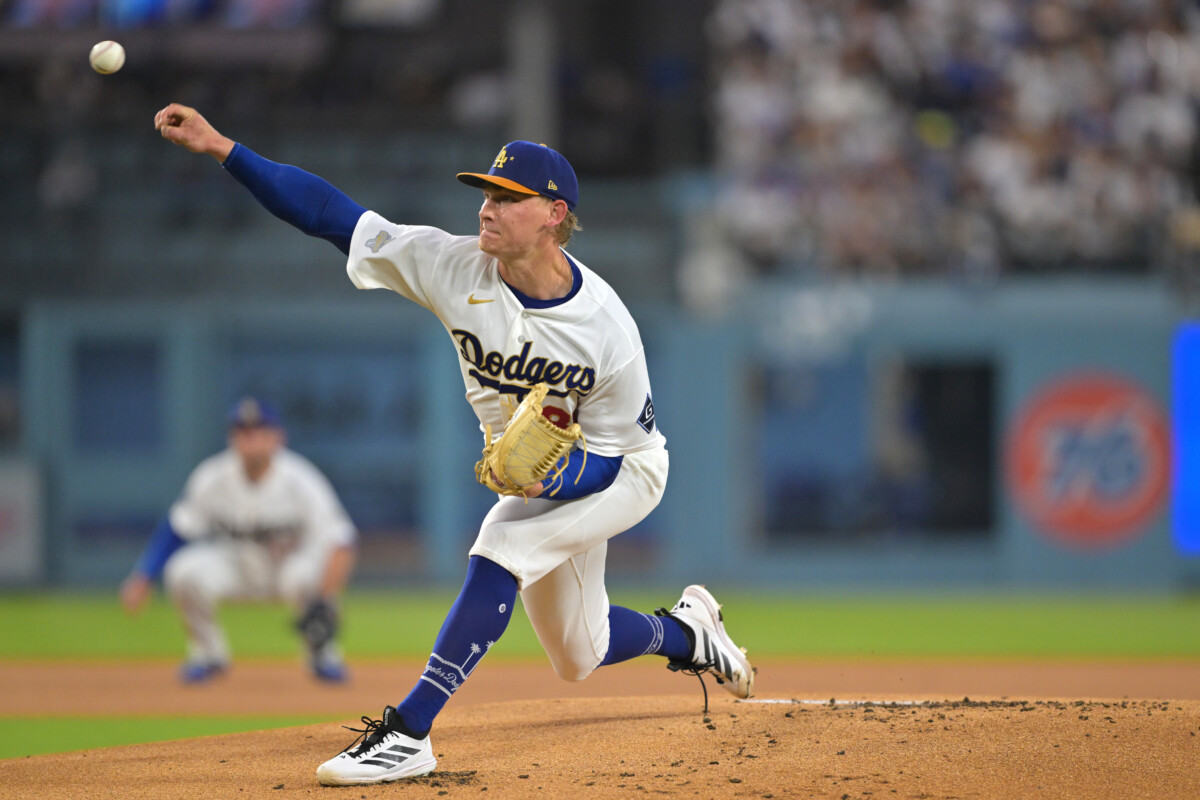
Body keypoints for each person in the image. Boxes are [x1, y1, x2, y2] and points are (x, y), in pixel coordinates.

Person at [152, 103, 755, 785]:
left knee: (503, 545)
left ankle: (409, 732)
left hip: (621, 474)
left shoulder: (606, 328)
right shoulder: (451, 266)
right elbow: (327, 213)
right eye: (485, 194)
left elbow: (620, 457)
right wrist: (225, 148)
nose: (487, 209)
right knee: (577, 655)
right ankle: (690, 632)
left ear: (555, 214)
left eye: (507, 198)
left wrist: (551, 479)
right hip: (541, 475)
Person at [120, 396, 358, 684]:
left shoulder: (301, 478)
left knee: (303, 575)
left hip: (287, 566)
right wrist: (145, 575)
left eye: (259, 431)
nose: (251, 439)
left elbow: (342, 541)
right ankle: (208, 655)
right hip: (235, 567)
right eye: (243, 432)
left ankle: (322, 655)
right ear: (232, 438)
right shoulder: (212, 476)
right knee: (182, 571)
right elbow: (178, 528)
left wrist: (324, 601)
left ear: (277, 437)